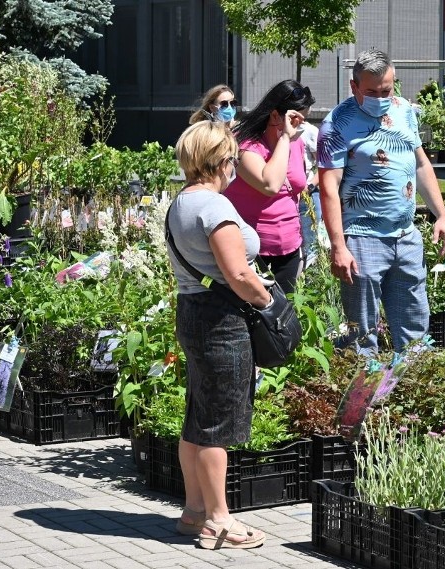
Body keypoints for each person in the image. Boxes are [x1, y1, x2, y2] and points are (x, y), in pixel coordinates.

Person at [166, 120, 269, 550]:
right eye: (231, 159)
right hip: (221, 319)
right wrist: (267, 301)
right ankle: (218, 521)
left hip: (192, 311)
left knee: (199, 415)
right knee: (218, 423)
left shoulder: (181, 204)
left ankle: (193, 511)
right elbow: (239, 274)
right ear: (221, 161)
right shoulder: (215, 208)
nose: (234, 167)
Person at [317, 49, 445, 354]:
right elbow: (329, 187)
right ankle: (362, 398)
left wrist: (440, 215)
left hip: (406, 236)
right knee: (360, 335)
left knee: (415, 328)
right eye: (371, 91)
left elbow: (420, 164)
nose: (381, 97)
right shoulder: (335, 125)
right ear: (354, 87)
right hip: (362, 240)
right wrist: (338, 246)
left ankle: (413, 392)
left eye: (387, 90)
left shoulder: (404, 110)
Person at [225, 80, 316, 294]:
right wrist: (285, 137)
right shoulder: (246, 145)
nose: (300, 127)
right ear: (275, 116)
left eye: (304, 119)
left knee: (284, 317)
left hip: (290, 248)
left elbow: (297, 185)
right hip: (253, 251)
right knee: (256, 317)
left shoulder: (296, 143)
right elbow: (270, 185)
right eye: (295, 119)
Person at [298, 119, 322, 267]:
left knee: (310, 241)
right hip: (283, 196)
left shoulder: (310, 131)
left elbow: (324, 164)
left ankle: (310, 280)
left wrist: (310, 186)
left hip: (306, 194)